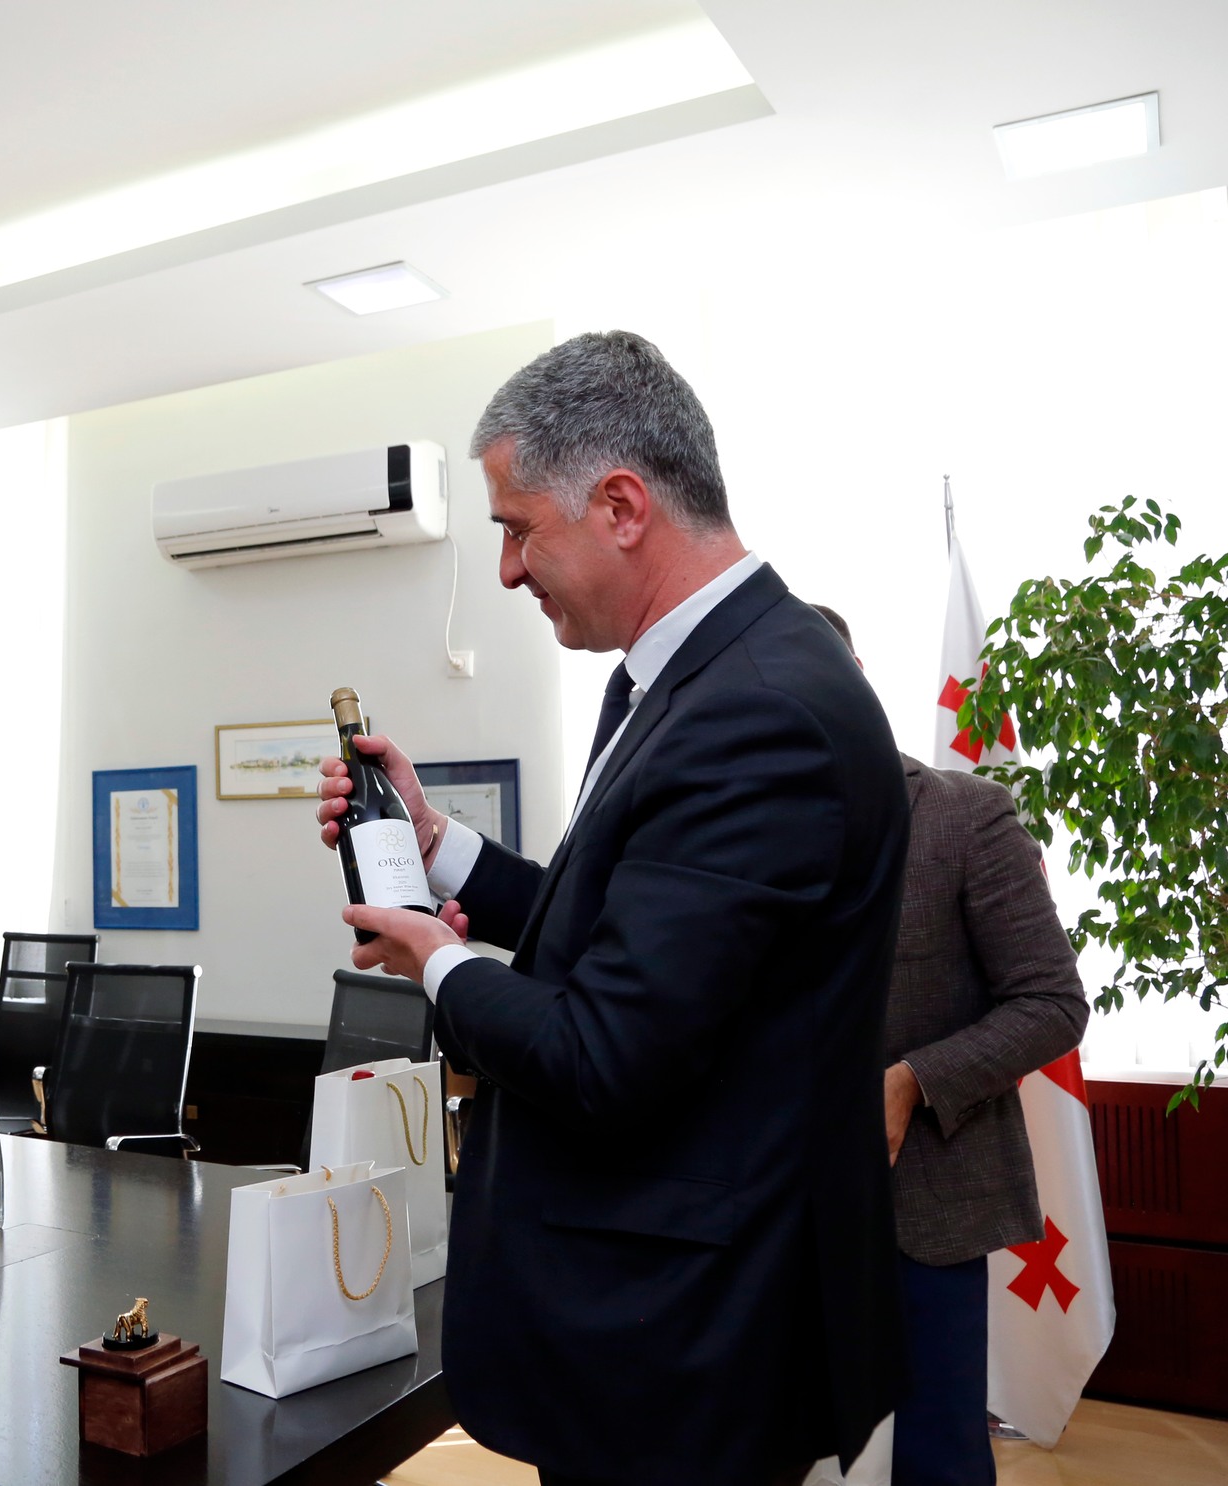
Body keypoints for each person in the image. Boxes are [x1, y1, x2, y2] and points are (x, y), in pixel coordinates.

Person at [316, 331, 909, 1486]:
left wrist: (438, 963)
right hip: (664, 1325)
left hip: (687, 1341)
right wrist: (438, 850)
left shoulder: (757, 709)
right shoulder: (691, 677)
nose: (504, 569)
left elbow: (605, 1052)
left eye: (515, 527)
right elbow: (634, 938)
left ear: (622, 506)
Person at [813, 604, 1088, 1486]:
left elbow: (1052, 1002)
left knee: (937, 1460)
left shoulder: (966, 816)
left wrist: (912, 1082)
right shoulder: (739, 836)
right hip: (771, 1208)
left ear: (855, 681)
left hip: (924, 1209)